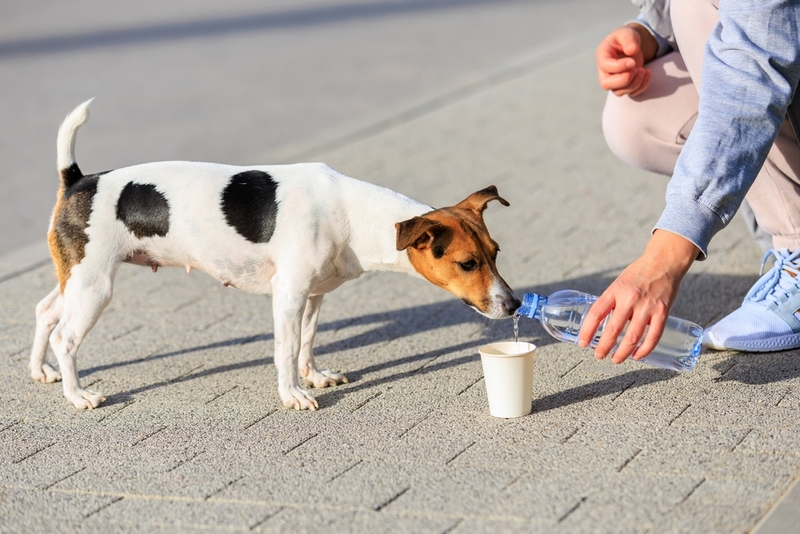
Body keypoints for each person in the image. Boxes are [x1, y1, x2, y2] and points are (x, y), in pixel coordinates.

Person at [582, 0, 800, 362]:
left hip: (761, 57)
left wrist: (665, 257)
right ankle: (784, 232)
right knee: (634, 115)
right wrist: (649, 32)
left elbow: (752, 70)